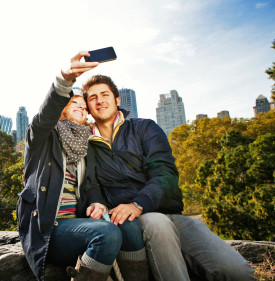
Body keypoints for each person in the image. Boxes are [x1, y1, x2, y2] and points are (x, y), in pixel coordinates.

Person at [71, 73, 256, 281]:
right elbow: (90, 184)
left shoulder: (145, 128)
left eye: (104, 94)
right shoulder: (85, 144)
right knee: (156, 223)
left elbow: (165, 173)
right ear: (88, 106)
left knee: (238, 272)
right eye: (93, 97)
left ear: (117, 100)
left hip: (169, 213)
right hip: (131, 222)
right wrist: (97, 203)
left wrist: (138, 203)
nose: (99, 100)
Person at [17, 51, 147, 281]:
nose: (82, 107)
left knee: (128, 225)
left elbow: (92, 185)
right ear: (63, 108)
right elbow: (46, 114)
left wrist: (97, 202)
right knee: (107, 233)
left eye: (84, 106)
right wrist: (66, 78)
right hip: (49, 228)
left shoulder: (87, 144)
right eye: (74, 103)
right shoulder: (42, 136)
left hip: (78, 222)